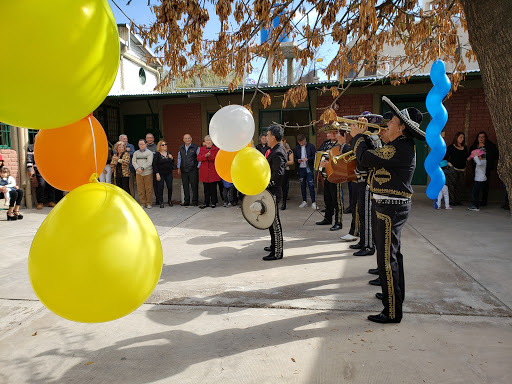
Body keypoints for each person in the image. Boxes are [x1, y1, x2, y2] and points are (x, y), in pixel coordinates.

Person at [351, 96, 424, 324]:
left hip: (389, 208)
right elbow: (375, 159)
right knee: (393, 255)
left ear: (401, 128)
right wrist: (368, 138)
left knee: (386, 259)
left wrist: (359, 136)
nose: (386, 125)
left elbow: (364, 159)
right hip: (388, 206)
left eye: (390, 122)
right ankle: (393, 295)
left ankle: (392, 311)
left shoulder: (400, 148)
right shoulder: (397, 147)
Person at [262, 124, 288, 261]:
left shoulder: (278, 152)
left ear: (273, 137)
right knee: (271, 221)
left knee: (275, 222)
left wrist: (265, 184)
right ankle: (273, 245)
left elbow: (278, 174)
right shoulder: (274, 149)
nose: (266, 137)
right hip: (270, 191)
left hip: (274, 191)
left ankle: (278, 252)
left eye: (267, 135)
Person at [316, 128, 347, 231]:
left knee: (337, 200)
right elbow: (320, 154)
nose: (333, 134)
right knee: (327, 199)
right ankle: (328, 218)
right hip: (326, 174)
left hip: (335, 175)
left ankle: (338, 222)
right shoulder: (326, 144)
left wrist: (328, 163)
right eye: (331, 132)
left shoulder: (341, 145)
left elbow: (341, 160)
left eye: (335, 132)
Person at [469, 131, 498, 207]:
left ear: (485, 138)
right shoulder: (474, 146)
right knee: (476, 185)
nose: (481, 138)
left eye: (483, 137)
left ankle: (484, 201)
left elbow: (495, 155)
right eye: (479, 137)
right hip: (477, 168)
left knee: (485, 185)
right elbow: (471, 155)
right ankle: (476, 201)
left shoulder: (490, 146)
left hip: (486, 168)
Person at [26, 141, 55, 209]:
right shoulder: (31, 147)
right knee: (41, 185)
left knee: (51, 185)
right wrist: (30, 169)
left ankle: (51, 201)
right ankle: (40, 202)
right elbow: (29, 159)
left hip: (49, 169)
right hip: (39, 169)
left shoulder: (47, 147)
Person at [444, 132, 468, 206]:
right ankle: (452, 200)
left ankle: (458, 200)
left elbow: (466, 157)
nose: (462, 139)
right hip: (454, 169)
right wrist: (450, 164)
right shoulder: (451, 147)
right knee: (452, 185)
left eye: (463, 137)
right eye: (460, 137)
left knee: (459, 185)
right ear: (456, 138)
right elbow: (446, 158)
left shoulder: (465, 147)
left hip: (462, 169)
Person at [293, 133, 317, 209]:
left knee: (311, 185)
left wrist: (308, 159)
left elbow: (315, 157)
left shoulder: (311, 146)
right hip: (301, 168)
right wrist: (298, 160)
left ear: (305, 140)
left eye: (302, 141)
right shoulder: (297, 148)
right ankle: (304, 201)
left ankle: (313, 202)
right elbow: (295, 158)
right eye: (299, 142)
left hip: (308, 168)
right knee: (302, 185)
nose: (301, 143)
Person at [177, 134, 200, 206]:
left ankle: (195, 201)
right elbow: (179, 158)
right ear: (183, 139)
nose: (187, 140)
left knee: (194, 186)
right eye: (185, 138)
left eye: (188, 138)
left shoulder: (196, 147)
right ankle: (186, 201)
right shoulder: (181, 148)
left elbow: (199, 158)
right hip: (184, 169)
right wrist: (178, 167)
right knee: (185, 186)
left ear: (191, 139)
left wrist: (198, 166)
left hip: (193, 169)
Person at [197, 135, 220, 208]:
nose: (208, 142)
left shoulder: (216, 149)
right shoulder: (202, 149)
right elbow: (198, 158)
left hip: (213, 171)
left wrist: (209, 156)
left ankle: (213, 202)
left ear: (212, 142)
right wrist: (205, 156)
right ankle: (206, 202)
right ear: (205, 142)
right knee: (206, 189)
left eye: (209, 140)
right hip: (205, 172)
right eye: (207, 140)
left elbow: (216, 158)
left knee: (213, 188)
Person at [153, 140, 176, 208]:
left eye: (165, 144)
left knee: (170, 187)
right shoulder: (157, 154)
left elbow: (172, 162)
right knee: (160, 187)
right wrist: (157, 173)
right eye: (163, 145)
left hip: (168, 173)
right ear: (159, 146)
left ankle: (169, 200)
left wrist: (172, 158)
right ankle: (161, 201)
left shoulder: (168, 153)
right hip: (160, 173)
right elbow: (154, 164)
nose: (164, 146)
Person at [132, 139, 154, 208]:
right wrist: (137, 168)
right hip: (138, 173)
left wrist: (142, 168)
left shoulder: (149, 152)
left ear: (146, 144)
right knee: (140, 189)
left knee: (148, 189)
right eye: (140, 144)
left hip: (147, 173)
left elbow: (149, 162)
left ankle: (149, 203)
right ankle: (142, 203)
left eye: (143, 144)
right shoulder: (136, 153)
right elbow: (134, 162)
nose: (141, 146)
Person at [280, 138, 294, 210]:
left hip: (285, 170)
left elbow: (292, 162)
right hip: (277, 170)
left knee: (284, 187)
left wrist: (283, 163)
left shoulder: (289, 151)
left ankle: (284, 202)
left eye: (281, 142)